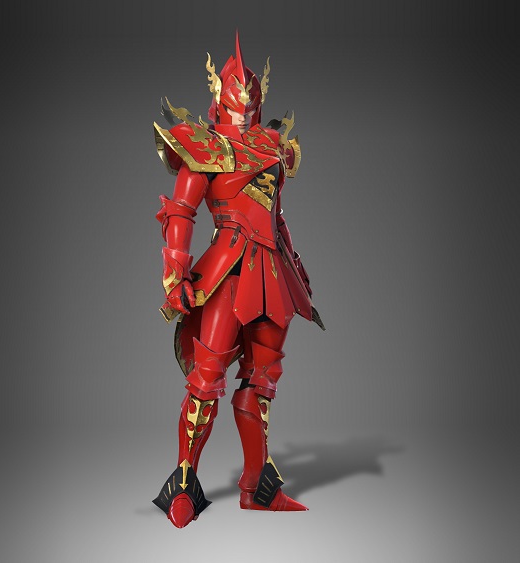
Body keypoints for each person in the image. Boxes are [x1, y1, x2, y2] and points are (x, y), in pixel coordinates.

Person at [152, 31, 324, 528]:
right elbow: (180, 211)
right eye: (235, 97)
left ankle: (257, 487)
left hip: (273, 272)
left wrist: (296, 264)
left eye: (250, 97)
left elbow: (276, 215)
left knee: (260, 383)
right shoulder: (204, 144)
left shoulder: (272, 146)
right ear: (219, 93)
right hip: (226, 272)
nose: (244, 107)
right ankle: (184, 483)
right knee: (206, 381)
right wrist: (175, 272)